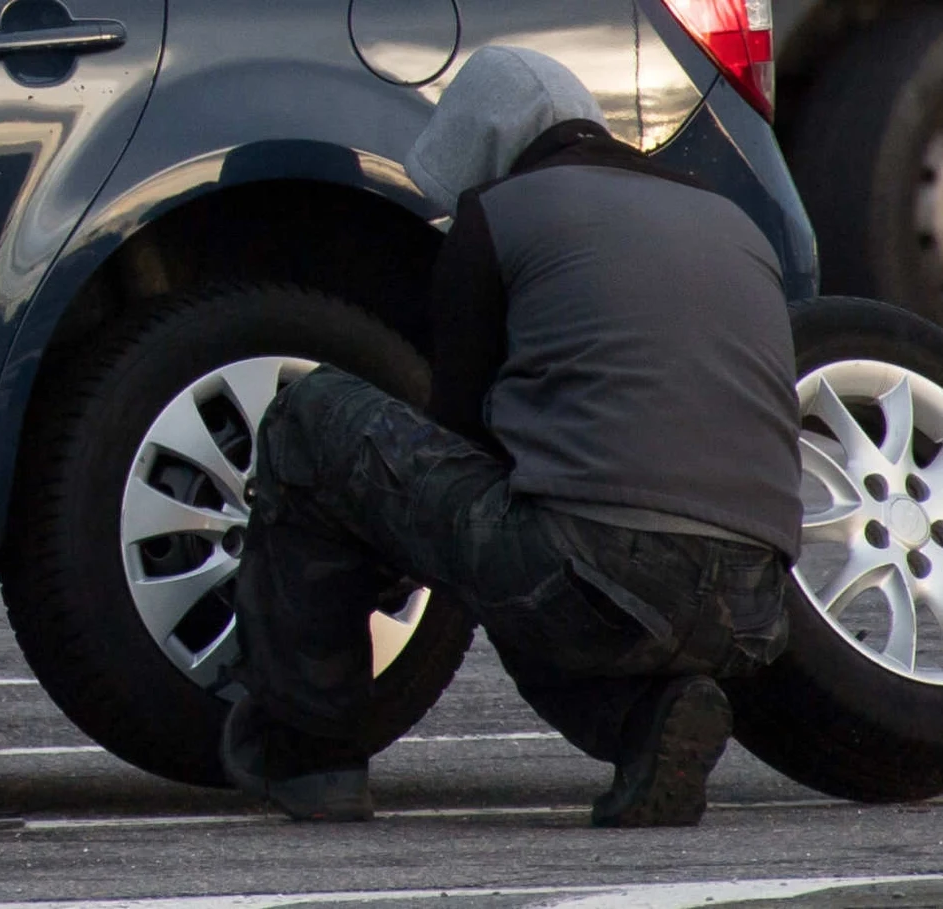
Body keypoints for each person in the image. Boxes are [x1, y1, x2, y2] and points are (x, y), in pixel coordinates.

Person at [220, 46, 802, 827]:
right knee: (541, 577)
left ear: (483, 146)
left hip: (594, 566)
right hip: (757, 604)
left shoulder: (500, 213)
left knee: (315, 416)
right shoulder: (726, 219)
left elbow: (459, 440)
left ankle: (310, 756)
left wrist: (368, 550)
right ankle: (649, 719)